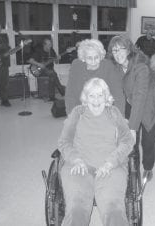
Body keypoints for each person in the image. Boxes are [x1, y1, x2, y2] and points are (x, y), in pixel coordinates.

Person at [59, 78, 135, 226]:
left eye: (100, 95)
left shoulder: (113, 113)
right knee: (77, 210)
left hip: (110, 168)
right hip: (79, 167)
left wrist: (111, 162)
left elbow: (127, 140)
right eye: (91, 95)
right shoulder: (77, 113)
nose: (96, 100)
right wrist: (76, 160)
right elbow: (64, 142)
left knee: (113, 211)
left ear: (106, 97)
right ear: (85, 98)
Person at [108, 35, 155, 181]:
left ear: (129, 50)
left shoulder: (140, 67)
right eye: (114, 50)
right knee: (130, 143)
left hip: (150, 106)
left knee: (147, 141)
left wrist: (132, 128)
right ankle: (134, 169)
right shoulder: (117, 67)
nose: (118, 53)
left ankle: (148, 167)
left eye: (121, 49)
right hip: (131, 103)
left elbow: (140, 97)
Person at [65, 39, 125, 116]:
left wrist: (120, 118)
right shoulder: (76, 66)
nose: (93, 61)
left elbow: (118, 94)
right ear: (83, 58)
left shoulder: (108, 66)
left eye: (96, 57)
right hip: (81, 110)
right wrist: (71, 116)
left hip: (103, 111)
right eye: (89, 58)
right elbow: (70, 94)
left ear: (101, 56)